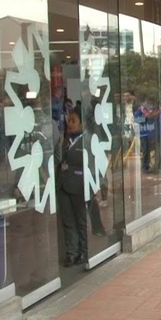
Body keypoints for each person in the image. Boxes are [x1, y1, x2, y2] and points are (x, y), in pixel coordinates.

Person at [57, 106, 88, 266]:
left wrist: (72, 169)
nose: (70, 124)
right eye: (69, 120)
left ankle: (84, 251)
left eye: (74, 121)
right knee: (68, 221)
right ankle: (72, 253)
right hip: (63, 185)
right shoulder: (64, 140)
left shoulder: (85, 141)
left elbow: (89, 163)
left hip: (79, 185)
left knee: (81, 220)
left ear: (82, 124)